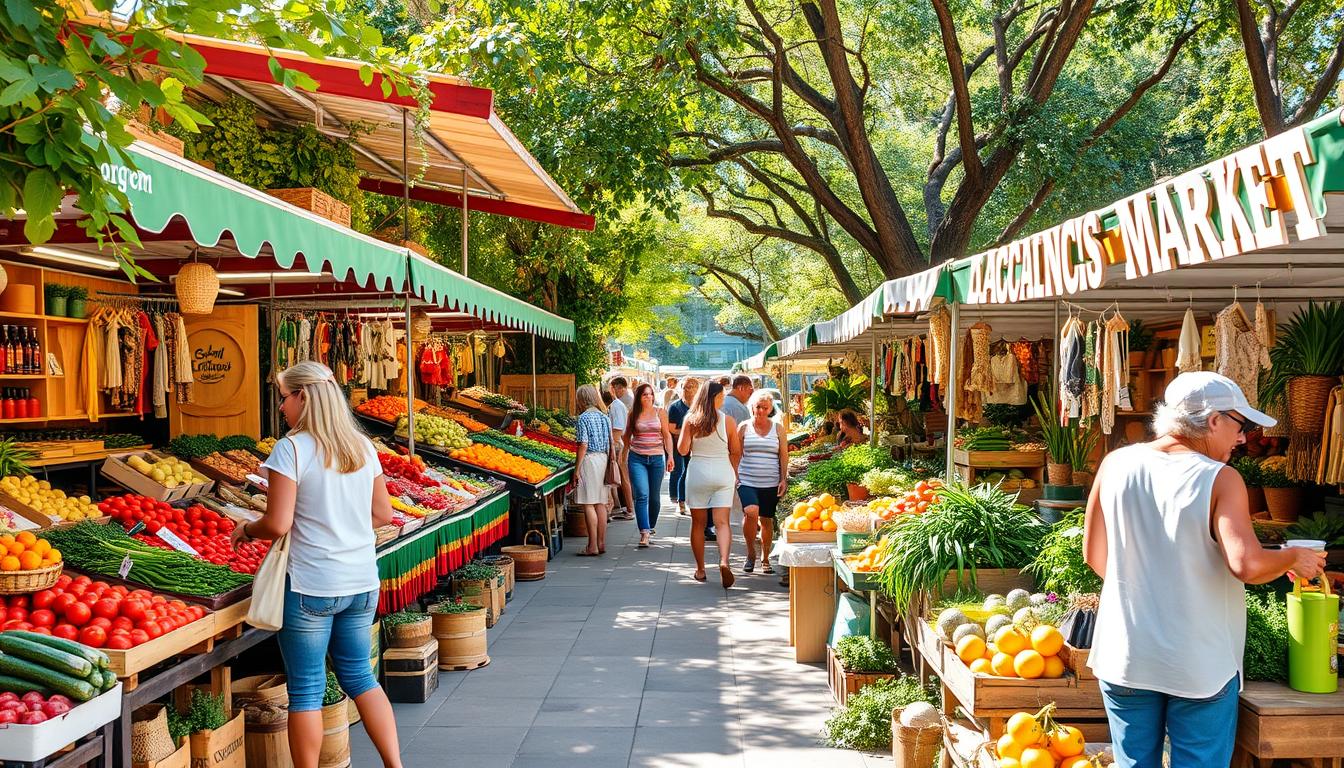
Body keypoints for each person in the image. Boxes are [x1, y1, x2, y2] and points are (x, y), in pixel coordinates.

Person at [1084, 372, 1326, 768]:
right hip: (1198, 663)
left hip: (1126, 655)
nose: (1242, 438)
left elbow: (1095, 554)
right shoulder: (1219, 478)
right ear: (1214, 420)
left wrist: (1148, 589)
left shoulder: (1115, 464)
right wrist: (1291, 557)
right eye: (1240, 425)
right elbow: (1246, 564)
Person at [231, 361, 401, 768]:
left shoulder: (291, 449)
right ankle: (395, 765)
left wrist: (246, 529)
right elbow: (383, 514)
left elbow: (277, 523)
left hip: (311, 585)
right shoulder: (362, 446)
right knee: (361, 677)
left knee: (306, 690)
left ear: (303, 397)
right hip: (361, 581)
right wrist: (343, 523)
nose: (282, 407)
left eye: (284, 398)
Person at [678, 381, 742, 589]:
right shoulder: (728, 421)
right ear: (715, 398)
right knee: (722, 522)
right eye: (721, 396)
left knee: (698, 524)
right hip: (723, 472)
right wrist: (734, 472)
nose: (723, 399)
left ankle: (700, 570)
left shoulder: (691, 420)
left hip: (698, 473)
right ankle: (724, 561)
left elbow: (682, 450)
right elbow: (736, 451)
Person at [737, 390, 788, 574]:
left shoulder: (778, 428)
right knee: (751, 512)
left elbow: (783, 455)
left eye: (764, 408)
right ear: (752, 407)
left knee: (766, 519)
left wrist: (783, 478)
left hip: (770, 481)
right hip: (747, 480)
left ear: (770, 409)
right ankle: (750, 553)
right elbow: (736, 453)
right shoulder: (743, 427)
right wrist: (734, 475)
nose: (760, 411)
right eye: (758, 407)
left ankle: (765, 558)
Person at [625, 383, 675, 547]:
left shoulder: (660, 412)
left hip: (656, 459)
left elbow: (667, 435)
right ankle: (644, 532)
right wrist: (622, 455)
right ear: (639, 397)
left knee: (654, 498)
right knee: (642, 494)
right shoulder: (633, 413)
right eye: (644, 394)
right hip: (637, 458)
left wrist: (670, 456)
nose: (648, 397)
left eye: (650, 394)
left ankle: (650, 526)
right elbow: (627, 436)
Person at [572, 385, 612, 556]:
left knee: (588, 503)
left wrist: (577, 469)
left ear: (581, 399)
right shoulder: (604, 417)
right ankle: (601, 543)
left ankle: (592, 546)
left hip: (589, 460)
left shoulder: (583, 418)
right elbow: (610, 443)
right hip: (603, 459)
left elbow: (583, 444)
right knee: (601, 503)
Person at [667, 377, 700, 517]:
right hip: (679, 444)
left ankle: (690, 501)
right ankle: (679, 500)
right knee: (680, 471)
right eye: (685, 387)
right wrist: (687, 432)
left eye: (691, 387)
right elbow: (671, 428)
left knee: (691, 472)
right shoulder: (675, 407)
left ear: (697, 389)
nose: (688, 390)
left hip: (696, 445)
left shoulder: (699, 406)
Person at [607, 377, 635, 521]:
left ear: (614, 388)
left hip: (618, 445)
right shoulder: (618, 404)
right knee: (621, 478)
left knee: (623, 478)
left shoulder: (616, 405)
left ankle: (630, 509)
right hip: (620, 443)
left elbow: (617, 430)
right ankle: (622, 507)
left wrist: (612, 447)